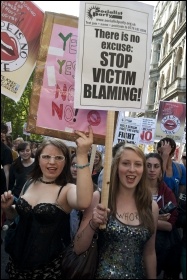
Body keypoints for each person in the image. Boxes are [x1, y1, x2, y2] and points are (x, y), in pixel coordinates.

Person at [1, 126, 93, 279]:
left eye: (59, 158)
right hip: (15, 265)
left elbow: (84, 202)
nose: (52, 162)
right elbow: (16, 216)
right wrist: (8, 208)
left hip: (46, 271)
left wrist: (82, 154)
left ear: (66, 162)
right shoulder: (30, 182)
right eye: (46, 157)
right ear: (38, 159)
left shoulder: (67, 190)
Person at [74, 144, 159, 279]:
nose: (132, 170)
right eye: (126, 163)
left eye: (138, 164)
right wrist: (93, 224)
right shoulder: (100, 199)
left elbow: (149, 253)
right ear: (116, 167)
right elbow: (78, 248)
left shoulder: (151, 207)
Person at [145, 152, 180, 278]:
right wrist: (157, 218)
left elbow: (170, 225)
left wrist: (145, 219)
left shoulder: (167, 192)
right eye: (148, 166)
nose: (152, 170)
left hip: (159, 249)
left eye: (156, 166)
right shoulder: (135, 190)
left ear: (161, 169)